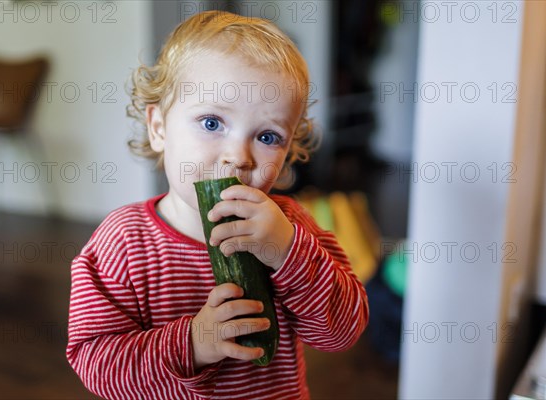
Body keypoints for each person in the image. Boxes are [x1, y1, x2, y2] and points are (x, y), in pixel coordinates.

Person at [66, 10, 368, 400]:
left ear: (290, 148)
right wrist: (193, 343)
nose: (238, 156)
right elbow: (96, 364)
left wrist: (286, 253)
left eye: (267, 136)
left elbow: (342, 332)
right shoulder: (123, 242)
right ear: (158, 127)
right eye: (212, 123)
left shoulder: (292, 226)